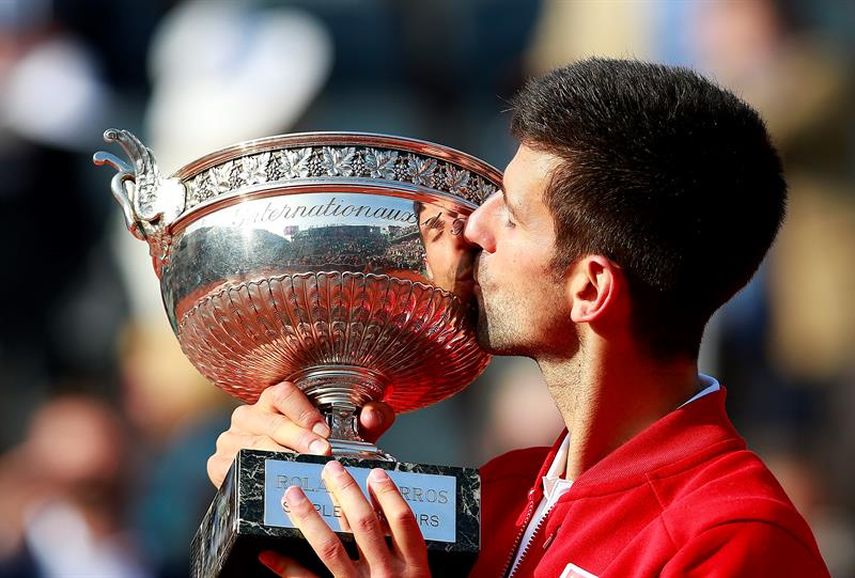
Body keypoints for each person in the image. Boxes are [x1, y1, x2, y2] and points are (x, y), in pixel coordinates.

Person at [206, 58, 831, 577]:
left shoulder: (734, 539)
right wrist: (297, 494)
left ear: (591, 288)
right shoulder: (495, 496)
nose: (473, 226)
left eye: (510, 213)